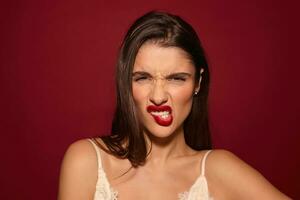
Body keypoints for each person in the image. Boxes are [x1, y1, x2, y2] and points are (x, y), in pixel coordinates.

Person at [58, 11, 291, 200]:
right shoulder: (87, 161)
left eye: (176, 78)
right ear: (126, 83)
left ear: (198, 82)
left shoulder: (218, 170)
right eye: (143, 77)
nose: (158, 96)